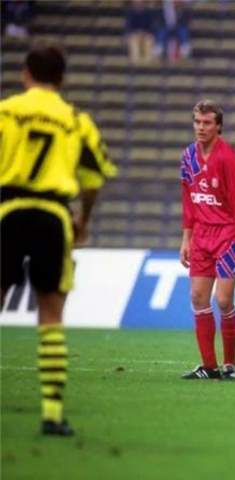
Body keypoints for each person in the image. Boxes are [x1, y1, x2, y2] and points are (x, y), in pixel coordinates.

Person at [0, 45, 117, 436]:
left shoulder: (6, 111)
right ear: (63, 79)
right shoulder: (75, 120)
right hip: (53, 215)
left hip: (8, 210)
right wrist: (83, 220)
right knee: (51, 315)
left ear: (25, 74)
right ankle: (52, 413)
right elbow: (94, 179)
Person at [179, 100, 235, 381]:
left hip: (226, 234)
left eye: (207, 123)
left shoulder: (227, 158)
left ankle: (229, 364)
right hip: (201, 235)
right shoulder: (188, 157)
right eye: (197, 122)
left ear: (218, 127)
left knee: (224, 300)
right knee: (197, 297)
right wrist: (187, 239)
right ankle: (209, 366)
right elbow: (188, 200)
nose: (201, 127)